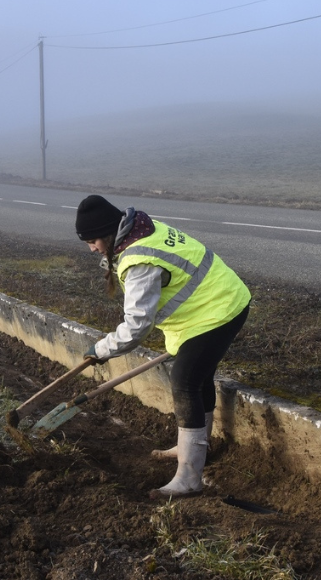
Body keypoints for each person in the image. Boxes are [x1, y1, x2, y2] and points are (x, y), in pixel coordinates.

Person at [74, 194, 251, 500]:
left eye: (92, 241)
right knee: (197, 378)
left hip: (218, 310)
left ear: (106, 233)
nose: (92, 249)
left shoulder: (138, 259)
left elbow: (137, 326)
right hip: (213, 302)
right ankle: (195, 447)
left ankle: (189, 477)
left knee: (185, 382)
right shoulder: (140, 227)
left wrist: (102, 350)